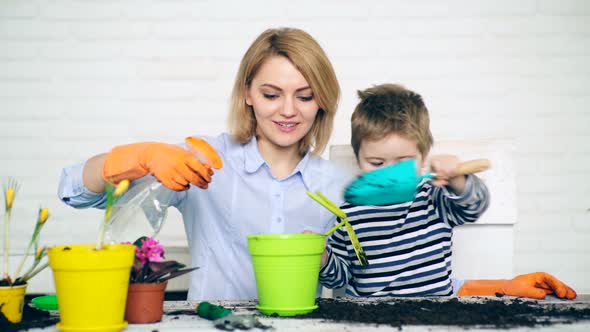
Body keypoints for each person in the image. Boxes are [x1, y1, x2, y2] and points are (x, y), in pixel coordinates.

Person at [58, 27, 352, 301]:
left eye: (305, 96)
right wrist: (139, 157)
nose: (288, 110)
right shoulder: (206, 159)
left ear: (322, 101)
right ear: (247, 94)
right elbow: (74, 190)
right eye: (271, 95)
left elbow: (348, 277)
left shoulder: (336, 186)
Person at [318, 83, 577, 300]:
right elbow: (340, 276)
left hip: (436, 311)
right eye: (376, 164)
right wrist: (322, 257)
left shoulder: (432, 196)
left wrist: (459, 181)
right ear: (358, 156)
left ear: (422, 157)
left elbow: (473, 205)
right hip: (367, 316)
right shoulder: (348, 212)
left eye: (403, 162)